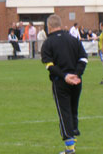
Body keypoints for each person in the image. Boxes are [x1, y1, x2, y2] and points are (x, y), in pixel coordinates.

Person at [41, 14, 88, 154]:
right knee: (73, 110)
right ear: (60, 25)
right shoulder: (74, 39)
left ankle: (70, 149)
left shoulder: (48, 43)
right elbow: (84, 59)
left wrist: (65, 76)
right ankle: (73, 139)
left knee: (64, 113)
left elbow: (49, 65)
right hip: (77, 81)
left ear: (49, 27)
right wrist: (77, 74)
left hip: (60, 82)